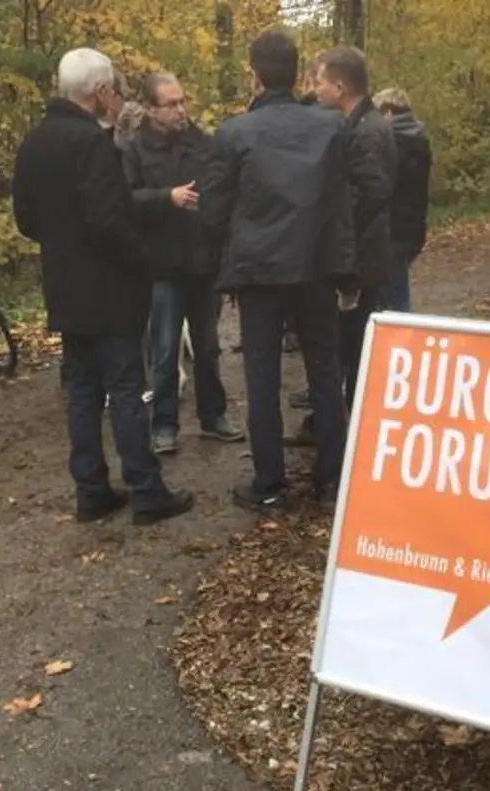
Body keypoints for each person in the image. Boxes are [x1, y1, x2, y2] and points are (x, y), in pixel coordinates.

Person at [13, 47, 194, 526]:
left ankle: (91, 489)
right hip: (109, 288)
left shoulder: (34, 142)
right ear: (99, 92)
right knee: (126, 389)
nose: (114, 96)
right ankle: (146, 490)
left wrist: (62, 244)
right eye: (112, 87)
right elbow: (106, 220)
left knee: (83, 391)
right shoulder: (91, 144)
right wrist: (143, 260)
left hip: (64, 287)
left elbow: (26, 219)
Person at [198, 29, 355, 513]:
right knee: (325, 373)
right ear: (296, 71)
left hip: (260, 273)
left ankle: (269, 485)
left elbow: (214, 211)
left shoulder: (235, 132)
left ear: (256, 75)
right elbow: (342, 205)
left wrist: (215, 269)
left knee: (262, 376)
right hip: (315, 270)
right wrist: (346, 272)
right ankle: (331, 482)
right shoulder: (331, 127)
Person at [122, 72, 244, 455]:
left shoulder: (202, 142)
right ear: (151, 109)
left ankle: (214, 416)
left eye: (182, 101)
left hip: (203, 260)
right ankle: (164, 425)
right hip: (162, 265)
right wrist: (165, 197)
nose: (181, 110)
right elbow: (124, 201)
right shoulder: (134, 150)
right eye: (171, 104)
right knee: (165, 350)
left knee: (208, 347)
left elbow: (223, 187)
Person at [303, 46, 395, 437]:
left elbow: (371, 193)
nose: (314, 89)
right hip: (358, 255)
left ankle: (353, 427)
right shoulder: (358, 123)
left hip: (360, 260)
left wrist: (334, 230)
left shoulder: (367, 129)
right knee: (346, 346)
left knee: (355, 347)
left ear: (339, 86)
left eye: (318, 82)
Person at [374, 86, 432, 314]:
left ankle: (400, 344)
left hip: (392, 229)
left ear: (387, 112)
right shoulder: (420, 139)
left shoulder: (392, 142)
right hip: (412, 228)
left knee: (394, 298)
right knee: (397, 288)